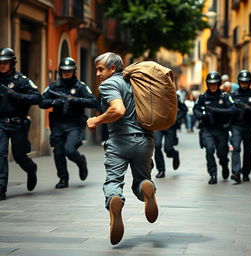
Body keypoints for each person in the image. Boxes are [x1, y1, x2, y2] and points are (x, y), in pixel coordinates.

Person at [87, 52, 158, 245]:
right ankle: (146, 188)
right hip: (145, 141)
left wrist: (96, 120)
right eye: (96, 70)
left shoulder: (110, 84)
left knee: (113, 182)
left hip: (120, 142)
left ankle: (115, 201)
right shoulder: (136, 82)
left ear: (112, 69)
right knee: (143, 178)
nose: (98, 74)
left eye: (101, 69)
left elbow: (118, 110)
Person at [39, 57, 98, 189]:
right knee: (58, 152)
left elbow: (93, 102)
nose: (66, 73)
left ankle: (81, 162)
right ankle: (63, 178)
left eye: (69, 71)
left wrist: (76, 100)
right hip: (58, 124)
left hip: (74, 125)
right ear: (60, 71)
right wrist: (53, 102)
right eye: (64, 71)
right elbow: (41, 101)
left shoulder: (80, 86)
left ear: (74, 71)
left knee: (70, 150)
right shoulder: (54, 86)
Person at [0, 47, 41, 200]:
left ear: (12, 63)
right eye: (0, 63)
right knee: (0, 154)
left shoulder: (21, 80)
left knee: (19, 156)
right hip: (1, 123)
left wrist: (16, 95)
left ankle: (32, 169)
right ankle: (1, 188)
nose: (2, 65)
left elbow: (38, 97)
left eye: (5, 62)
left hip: (18, 123)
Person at [193, 71, 236, 185]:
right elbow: (195, 109)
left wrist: (218, 111)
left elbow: (233, 110)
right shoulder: (203, 97)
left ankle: (224, 164)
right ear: (207, 84)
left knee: (222, 153)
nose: (212, 86)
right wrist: (201, 115)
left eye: (215, 83)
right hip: (208, 129)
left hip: (221, 129)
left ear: (219, 84)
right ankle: (213, 174)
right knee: (209, 150)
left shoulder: (224, 96)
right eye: (210, 83)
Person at [230, 70, 251, 183]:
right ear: (239, 82)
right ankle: (236, 172)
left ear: (249, 82)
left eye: (246, 82)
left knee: (248, 151)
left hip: (249, 126)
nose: (244, 84)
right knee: (235, 148)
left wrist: (249, 109)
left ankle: (246, 173)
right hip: (237, 125)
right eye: (242, 82)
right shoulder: (234, 95)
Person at [154, 95, 188, 178]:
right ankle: (161, 170)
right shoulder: (154, 95)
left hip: (170, 126)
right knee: (157, 145)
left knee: (168, 149)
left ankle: (175, 154)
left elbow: (184, 109)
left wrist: (176, 118)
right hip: (158, 125)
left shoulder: (173, 95)